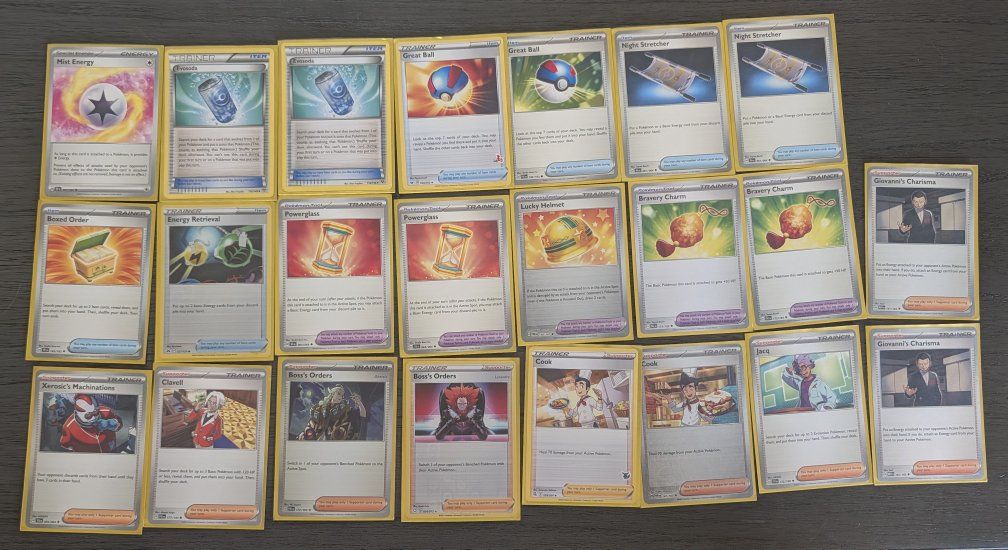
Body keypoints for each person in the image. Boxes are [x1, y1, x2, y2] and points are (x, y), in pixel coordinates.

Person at [59, 394, 133, 453]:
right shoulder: (69, 426)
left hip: (110, 451)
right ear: (78, 413)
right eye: (88, 415)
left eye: (95, 412)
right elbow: (65, 444)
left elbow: (120, 424)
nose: (94, 417)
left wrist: (112, 423)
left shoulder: (106, 411)